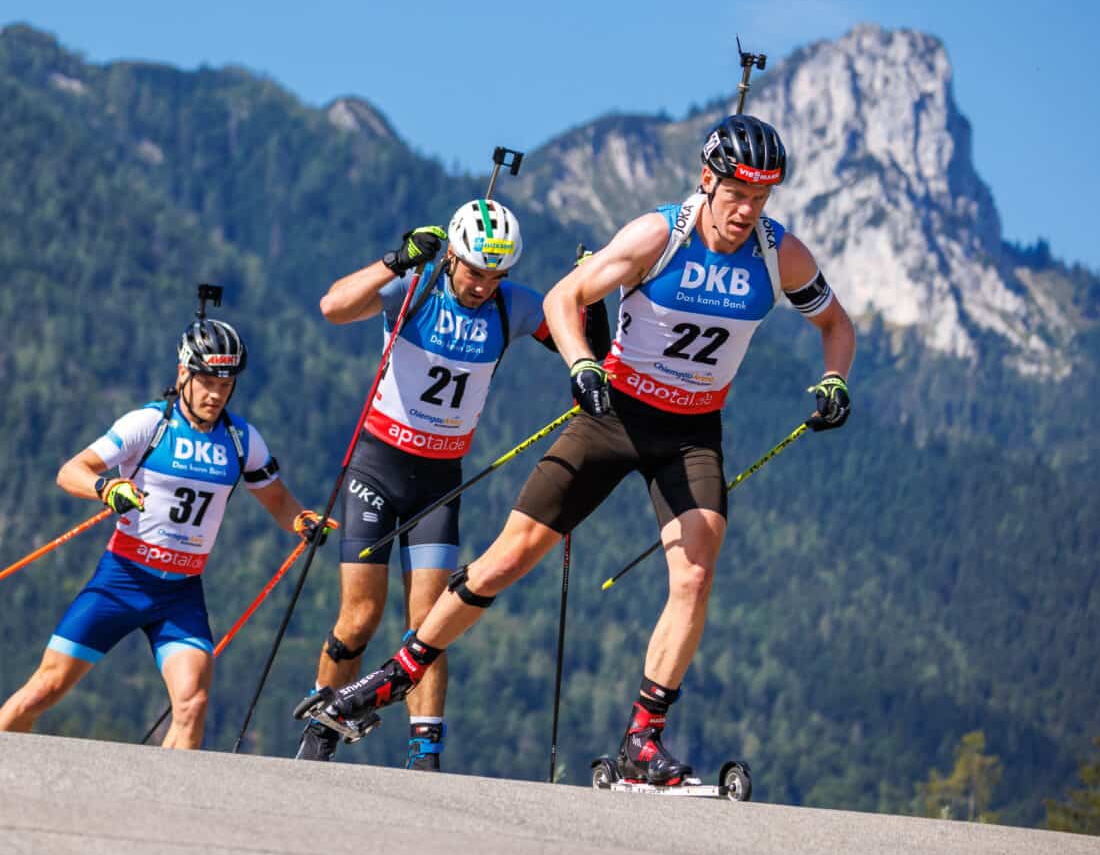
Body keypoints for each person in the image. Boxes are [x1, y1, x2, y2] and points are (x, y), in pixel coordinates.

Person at [301, 115, 856, 786]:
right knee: (508, 558)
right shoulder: (659, 236)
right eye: (737, 192)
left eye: (762, 197)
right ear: (707, 179)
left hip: (691, 432)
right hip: (614, 415)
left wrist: (835, 376)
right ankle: (394, 677)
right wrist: (583, 363)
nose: (747, 210)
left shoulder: (778, 253)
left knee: (697, 571)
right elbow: (567, 296)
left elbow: (834, 323)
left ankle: (642, 741)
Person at [296, 199, 607, 771]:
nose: (484, 286)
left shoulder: (511, 307)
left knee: (429, 622)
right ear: (454, 257)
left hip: (439, 480)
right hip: (377, 467)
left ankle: (425, 754)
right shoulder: (415, 288)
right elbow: (333, 307)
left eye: (497, 275)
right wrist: (396, 260)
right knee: (360, 618)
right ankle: (321, 729)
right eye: (474, 271)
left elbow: (581, 342)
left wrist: (592, 292)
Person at [0, 313, 335, 749]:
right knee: (45, 688)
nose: (216, 394)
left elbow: (280, 501)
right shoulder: (148, 424)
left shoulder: (242, 438)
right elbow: (70, 471)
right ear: (183, 373)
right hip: (122, 579)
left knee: (191, 705)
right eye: (207, 381)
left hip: (180, 593)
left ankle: (161, 811)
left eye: (226, 385)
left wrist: (303, 521)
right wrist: (106, 486)